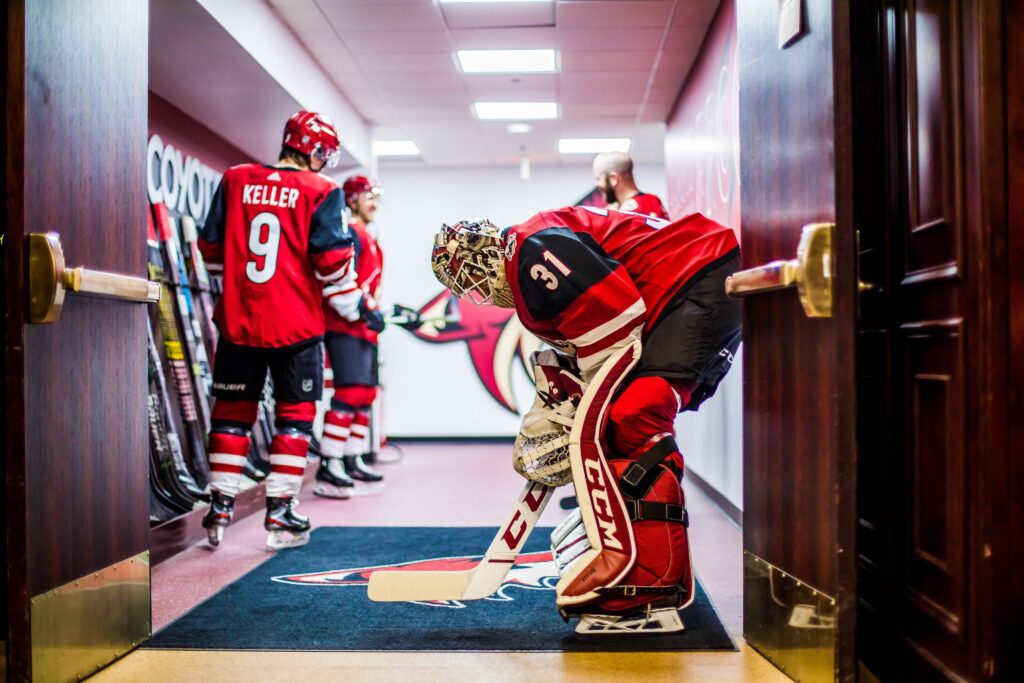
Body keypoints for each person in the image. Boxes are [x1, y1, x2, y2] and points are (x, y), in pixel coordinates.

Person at [430, 205, 740, 633]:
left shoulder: (531, 250)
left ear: (480, 255)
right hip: (688, 283)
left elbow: (615, 323)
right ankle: (645, 563)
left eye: (469, 281)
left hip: (696, 277)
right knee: (623, 418)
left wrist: (580, 415)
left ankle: (646, 577)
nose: (479, 293)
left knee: (635, 415)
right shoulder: (531, 250)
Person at [198, 110, 363, 550]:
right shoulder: (321, 190)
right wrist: (354, 304)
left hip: (237, 320)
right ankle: (280, 512)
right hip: (295, 325)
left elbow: (211, 248)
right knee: (294, 418)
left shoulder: (235, 179)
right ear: (312, 149)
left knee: (231, 415)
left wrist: (235, 284)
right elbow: (332, 264)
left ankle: (219, 506)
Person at [314, 175, 388, 498]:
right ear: (353, 198)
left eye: (376, 197)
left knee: (366, 394)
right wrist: (362, 308)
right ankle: (329, 462)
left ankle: (351, 456)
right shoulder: (350, 233)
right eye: (368, 196)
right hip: (345, 326)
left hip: (364, 329)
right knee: (349, 392)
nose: (374, 203)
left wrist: (377, 309)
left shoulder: (368, 235)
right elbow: (338, 279)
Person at [592, 151, 669, 219]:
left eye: (598, 178)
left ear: (613, 178)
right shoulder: (617, 210)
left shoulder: (646, 204)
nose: (598, 184)